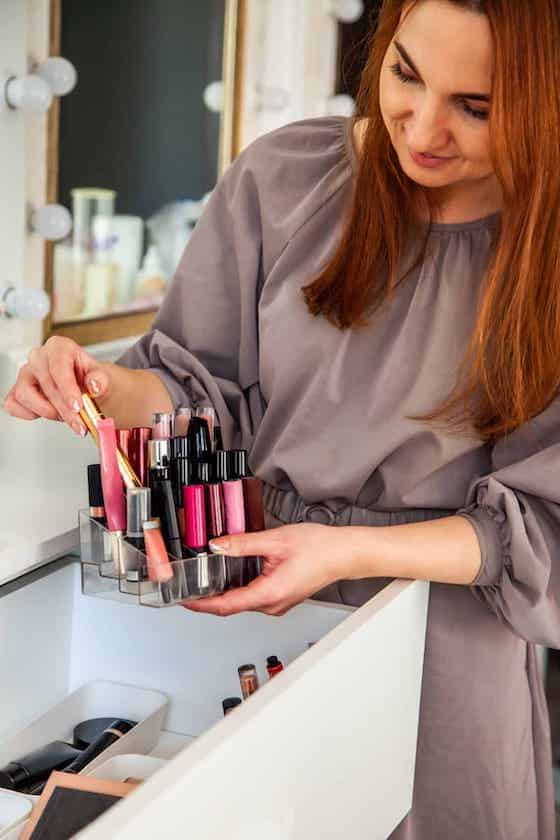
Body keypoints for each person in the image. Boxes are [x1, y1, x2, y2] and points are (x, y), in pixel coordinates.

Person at [4, 0, 560, 836]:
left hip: (442, 640)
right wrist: (98, 385)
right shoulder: (286, 178)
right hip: (260, 595)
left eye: (476, 106)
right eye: (405, 74)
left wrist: (350, 548)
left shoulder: (545, 248)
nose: (423, 128)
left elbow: (542, 523)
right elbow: (196, 388)